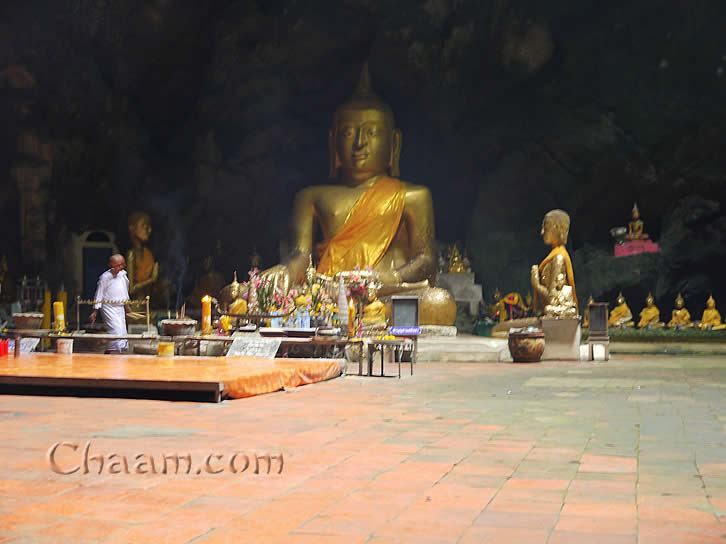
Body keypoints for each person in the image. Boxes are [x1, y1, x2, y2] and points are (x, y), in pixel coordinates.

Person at [90, 254, 130, 353]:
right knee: (115, 330)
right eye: (117, 266)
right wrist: (95, 311)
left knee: (122, 330)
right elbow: (99, 294)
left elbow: (124, 292)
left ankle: (114, 352)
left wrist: (127, 306)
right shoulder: (105, 277)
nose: (119, 268)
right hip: (108, 307)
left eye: (121, 265)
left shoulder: (123, 276)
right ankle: (109, 351)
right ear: (110, 265)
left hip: (119, 307)